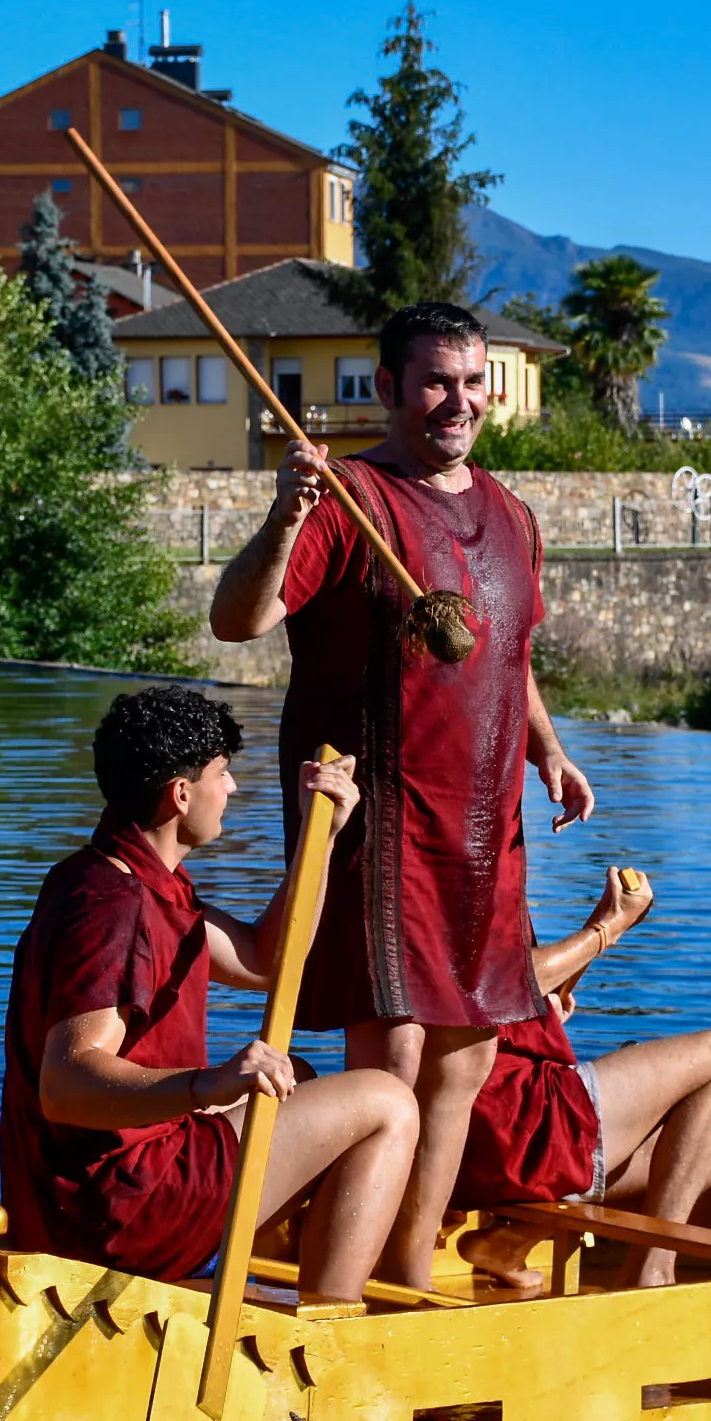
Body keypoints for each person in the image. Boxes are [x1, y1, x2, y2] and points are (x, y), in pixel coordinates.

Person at [210, 301, 596, 1289]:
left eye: (472, 382)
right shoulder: (350, 496)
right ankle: (340, 1279)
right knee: (392, 1056)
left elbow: (506, 649)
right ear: (387, 387)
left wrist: (551, 750)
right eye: (434, 381)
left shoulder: (512, 514)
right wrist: (285, 512)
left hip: (482, 827)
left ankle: (407, 1272)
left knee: (465, 1061)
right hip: (374, 819)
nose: (456, 401)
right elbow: (236, 618)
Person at [0, 685, 418, 1302]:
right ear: (181, 792)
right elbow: (65, 1085)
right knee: (388, 1102)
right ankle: (330, 1331)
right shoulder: (115, 908)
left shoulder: (118, 877)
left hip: (92, 1197)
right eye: (223, 774)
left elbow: (266, 959)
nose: (232, 790)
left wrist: (319, 836)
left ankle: (261, 1276)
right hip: (115, 1213)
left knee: (292, 1075)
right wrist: (207, 1084)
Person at [450, 867, 711, 1289]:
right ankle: (653, 1271)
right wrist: (607, 926)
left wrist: (548, 1009)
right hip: (509, 1121)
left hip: (492, 1129)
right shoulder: (474, 850)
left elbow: (491, 992)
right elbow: (502, 986)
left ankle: (508, 1242)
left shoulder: (476, 852)